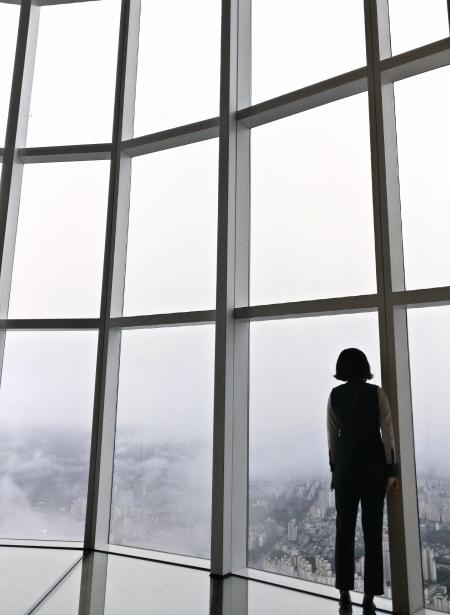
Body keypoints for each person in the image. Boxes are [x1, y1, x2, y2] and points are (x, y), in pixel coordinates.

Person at [327, 348, 399, 614]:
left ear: (341, 368)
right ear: (365, 367)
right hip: (373, 469)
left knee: (343, 530)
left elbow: (332, 437)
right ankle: (369, 597)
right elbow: (388, 434)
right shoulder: (376, 393)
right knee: (372, 532)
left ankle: (344, 592)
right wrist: (392, 471)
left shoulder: (334, 396)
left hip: (345, 469)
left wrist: (334, 470)